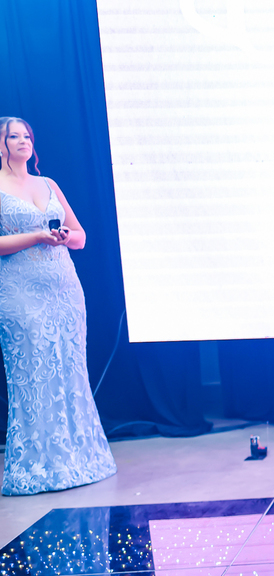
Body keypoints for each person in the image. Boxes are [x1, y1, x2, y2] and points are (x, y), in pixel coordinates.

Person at [0, 117, 116, 495]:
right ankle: (37, 467)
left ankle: (80, 459)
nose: (23, 141)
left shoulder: (48, 184)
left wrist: (64, 236)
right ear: (0, 145)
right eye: (13, 136)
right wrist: (36, 236)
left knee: (70, 370)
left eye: (27, 135)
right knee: (32, 373)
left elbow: (81, 237)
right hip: (20, 291)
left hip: (64, 287)